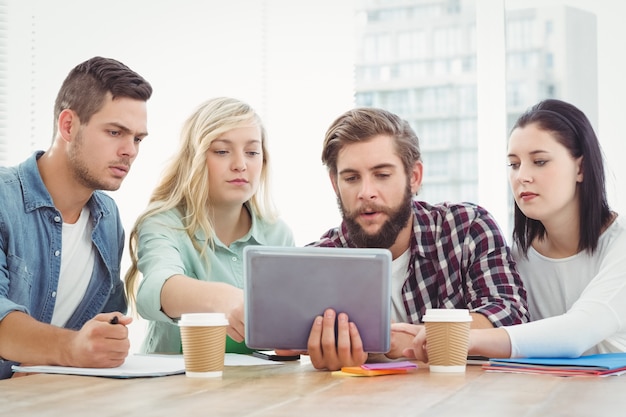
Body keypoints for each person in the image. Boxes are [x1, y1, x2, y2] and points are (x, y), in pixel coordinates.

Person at [300, 107, 529, 371]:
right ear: (335, 184)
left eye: (382, 175)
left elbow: (511, 316)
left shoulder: (467, 228)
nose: (366, 192)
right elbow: (283, 336)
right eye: (351, 178)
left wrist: (412, 338)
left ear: (414, 177)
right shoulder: (320, 260)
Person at [401, 98, 626, 362]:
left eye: (539, 161)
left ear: (581, 168)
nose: (522, 176)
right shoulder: (517, 258)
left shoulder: (618, 246)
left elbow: (577, 332)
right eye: (514, 164)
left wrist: (459, 337)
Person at [0, 56, 153, 379]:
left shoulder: (107, 217)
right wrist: (72, 348)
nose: (130, 151)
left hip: (56, 397)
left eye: (138, 138)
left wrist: (108, 341)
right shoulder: (4, 199)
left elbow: (106, 320)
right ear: (68, 125)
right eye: (115, 132)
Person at [125, 97, 294, 355]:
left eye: (252, 152)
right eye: (222, 151)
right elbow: (153, 291)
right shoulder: (163, 223)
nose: (240, 164)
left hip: (257, 386)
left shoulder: (277, 234)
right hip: (175, 386)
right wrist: (222, 299)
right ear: (195, 159)